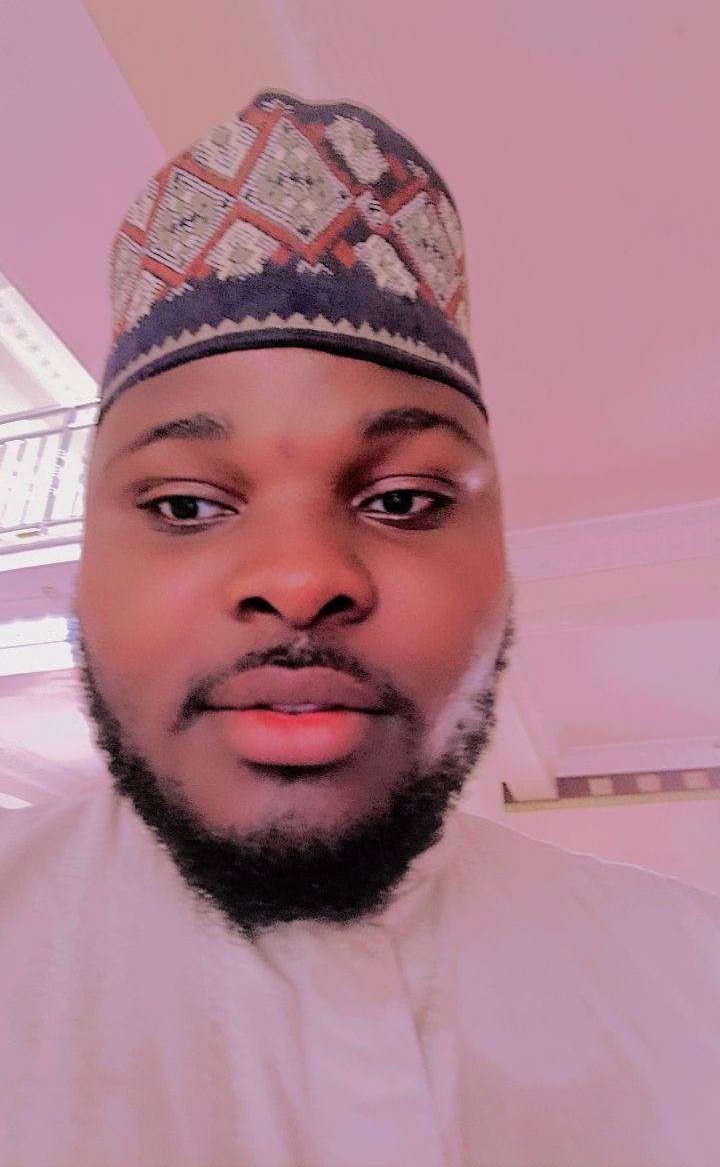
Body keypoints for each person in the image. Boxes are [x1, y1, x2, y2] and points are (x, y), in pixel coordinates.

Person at [1, 91, 718, 1167]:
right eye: (185, 503)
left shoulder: (695, 978)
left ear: (503, 566)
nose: (301, 581)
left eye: (404, 500)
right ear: (84, 572)